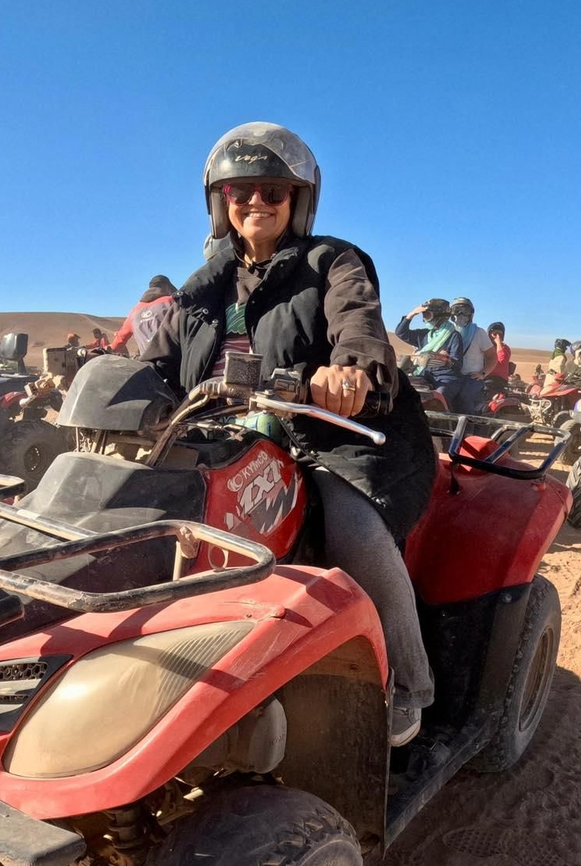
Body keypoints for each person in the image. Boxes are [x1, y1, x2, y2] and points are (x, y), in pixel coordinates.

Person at [140, 121, 437, 746]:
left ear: (297, 200)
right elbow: (154, 359)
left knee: (348, 522)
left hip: (327, 434)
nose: (255, 202)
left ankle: (409, 682)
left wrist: (348, 373)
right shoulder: (202, 286)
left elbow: (359, 326)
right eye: (241, 189)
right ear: (221, 201)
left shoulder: (332, 262)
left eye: (272, 190)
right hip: (216, 439)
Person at [396, 298, 463, 409]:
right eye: (424, 315)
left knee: (439, 396)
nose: (425, 320)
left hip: (445, 378)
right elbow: (401, 333)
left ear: (439, 316)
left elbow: (457, 364)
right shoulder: (424, 335)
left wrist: (441, 358)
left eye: (428, 315)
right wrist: (411, 315)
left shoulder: (454, 336)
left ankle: (446, 424)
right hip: (424, 375)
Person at [110, 276, 177, 354]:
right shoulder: (171, 302)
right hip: (175, 360)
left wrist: (109, 350)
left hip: (147, 363)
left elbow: (120, 338)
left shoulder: (134, 311)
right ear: (166, 286)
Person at [449, 297, 494, 413]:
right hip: (452, 375)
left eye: (464, 310)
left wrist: (483, 373)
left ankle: (469, 429)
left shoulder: (478, 333)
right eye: (456, 310)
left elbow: (492, 356)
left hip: (471, 377)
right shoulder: (447, 332)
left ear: (471, 314)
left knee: (464, 397)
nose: (460, 314)